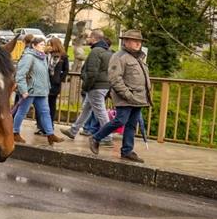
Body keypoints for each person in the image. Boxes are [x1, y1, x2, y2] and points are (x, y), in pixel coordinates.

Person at [89, 30, 151, 163]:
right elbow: (115, 78)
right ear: (126, 42)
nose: (138, 44)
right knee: (120, 121)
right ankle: (96, 138)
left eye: (139, 41)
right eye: (135, 41)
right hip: (126, 97)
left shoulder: (138, 57)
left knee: (131, 125)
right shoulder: (119, 56)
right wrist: (127, 94)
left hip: (138, 98)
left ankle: (127, 151)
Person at [12, 36, 63, 145]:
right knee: (22, 112)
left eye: (44, 45)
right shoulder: (29, 57)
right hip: (30, 91)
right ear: (34, 45)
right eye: (41, 45)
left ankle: (50, 134)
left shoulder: (43, 57)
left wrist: (47, 87)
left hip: (41, 91)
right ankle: (14, 132)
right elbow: (20, 74)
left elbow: (45, 74)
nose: (43, 47)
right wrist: (23, 90)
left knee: (45, 113)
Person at [62, 29, 112, 140]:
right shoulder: (107, 51)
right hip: (102, 85)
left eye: (89, 37)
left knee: (100, 112)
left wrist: (86, 86)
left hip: (95, 86)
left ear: (94, 38)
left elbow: (91, 73)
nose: (87, 39)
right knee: (86, 109)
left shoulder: (96, 51)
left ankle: (108, 136)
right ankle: (73, 130)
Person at [45, 37, 69, 124]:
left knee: (51, 104)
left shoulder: (63, 56)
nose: (48, 46)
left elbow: (66, 70)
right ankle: (41, 125)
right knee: (43, 105)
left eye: (49, 45)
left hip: (54, 84)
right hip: (44, 82)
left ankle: (50, 124)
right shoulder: (46, 54)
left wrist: (59, 79)